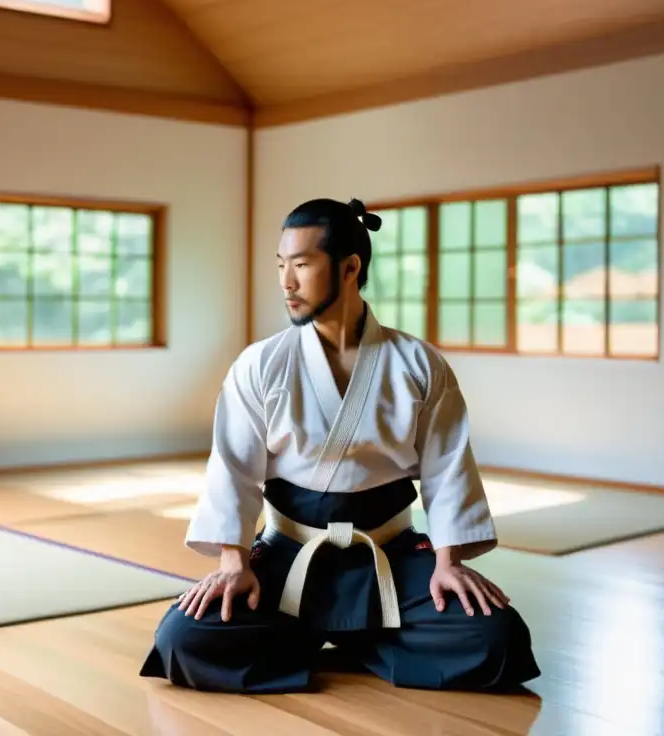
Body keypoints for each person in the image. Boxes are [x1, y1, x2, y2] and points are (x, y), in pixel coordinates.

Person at [139, 197, 540, 693]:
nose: (286, 282)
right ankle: (371, 640)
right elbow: (233, 469)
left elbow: (449, 469)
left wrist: (447, 564)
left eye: (302, 265)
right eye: (281, 265)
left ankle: (314, 638)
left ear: (350, 267)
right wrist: (233, 565)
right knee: (184, 638)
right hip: (289, 557)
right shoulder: (261, 363)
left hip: (389, 557)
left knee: (496, 638)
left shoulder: (416, 364)